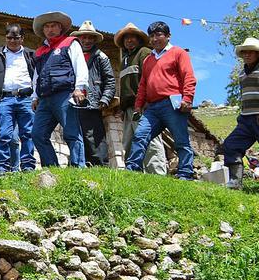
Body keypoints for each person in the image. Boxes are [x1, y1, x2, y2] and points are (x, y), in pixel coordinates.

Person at [126, 21, 197, 180]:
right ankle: (132, 168)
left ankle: (185, 173)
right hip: (152, 107)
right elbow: (143, 84)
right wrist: (138, 105)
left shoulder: (178, 53)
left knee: (180, 140)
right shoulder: (148, 60)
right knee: (140, 135)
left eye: (158, 34)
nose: (155, 39)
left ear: (168, 36)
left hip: (173, 103)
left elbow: (189, 76)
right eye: (151, 35)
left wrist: (187, 98)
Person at [30, 11, 88, 168]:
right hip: (44, 98)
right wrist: (35, 96)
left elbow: (80, 65)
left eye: (53, 26)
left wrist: (79, 88)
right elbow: (37, 76)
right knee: (37, 134)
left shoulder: (70, 42)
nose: (50, 29)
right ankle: (51, 168)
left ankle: (78, 167)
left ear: (60, 27)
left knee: (71, 132)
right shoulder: (40, 51)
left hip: (64, 94)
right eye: (47, 27)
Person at [0, 23, 37, 174]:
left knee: (27, 133)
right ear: (5, 38)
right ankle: (1, 167)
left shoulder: (30, 55)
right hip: (4, 99)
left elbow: (37, 76)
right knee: (3, 134)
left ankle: (27, 166)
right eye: (9, 38)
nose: (12, 41)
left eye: (16, 38)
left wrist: (36, 96)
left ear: (22, 39)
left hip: (26, 98)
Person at [115, 23, 167, 174]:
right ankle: (134, 174)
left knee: (149, 140)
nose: (129, 41)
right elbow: (125, 87)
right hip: (129, 108)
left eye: (132, 37)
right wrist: (123, 108)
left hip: (144, 105)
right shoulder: (124, 59)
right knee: (129, 141)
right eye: (126, 38)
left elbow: (151, 78)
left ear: (139, 39)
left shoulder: (144, 53)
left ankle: (157, 173)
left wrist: (146, 101)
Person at [220, 37, 259, 188]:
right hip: (246, 119)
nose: (247, 54)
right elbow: (245, 97)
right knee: (231, 145)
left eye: (251, 52)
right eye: (244, 52)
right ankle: (235, 181)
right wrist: (242, 116)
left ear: (258, 54)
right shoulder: (242, 75)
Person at [71, 21, 115, 167]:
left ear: (95, 40)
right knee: (75, 133)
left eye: (90, 38)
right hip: (73, 101)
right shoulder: (72, 56)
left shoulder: (101, 57)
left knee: (93, 135)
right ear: (79, 39)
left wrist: (105, 98)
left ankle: (100, 165)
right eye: (84, 37)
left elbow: (110, 80)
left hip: (92, 101)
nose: (87, 41)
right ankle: (78, 164)